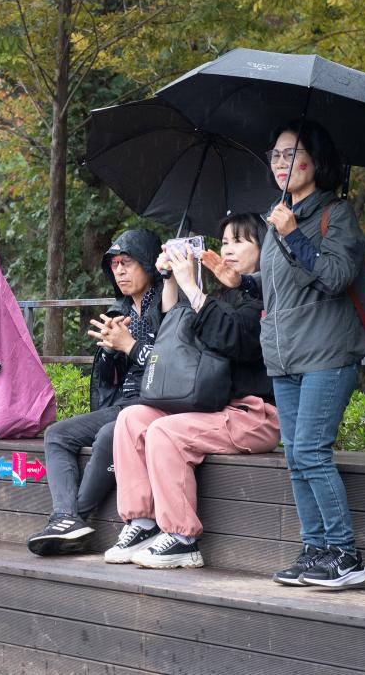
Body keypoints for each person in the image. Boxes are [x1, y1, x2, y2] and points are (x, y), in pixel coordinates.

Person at [108, 214, 279, 568]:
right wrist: (170, 276)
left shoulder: (268, 296)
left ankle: (182, 537)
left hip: (254, 414)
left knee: (164, 431)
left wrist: (193, 287)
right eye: (226, 241)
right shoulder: (220, 292)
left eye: (240, 241)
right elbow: (177, 324)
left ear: (265, 251)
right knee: (131, 418)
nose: (228, 249)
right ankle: (142, 521)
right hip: (211, 407)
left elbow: (235, 337)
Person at [251, 120, 365, 588]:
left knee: (313, 452)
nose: (281, 163)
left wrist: (295, 233)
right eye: (275, 155)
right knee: (295, 456)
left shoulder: (335, 215)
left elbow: (337, 276)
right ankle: (314, 549)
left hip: (327, 351)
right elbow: (278, 290)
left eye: (290, 154)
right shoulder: (275, 216)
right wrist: (236, 280)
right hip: (285, 356)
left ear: (315, 162)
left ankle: (345, 554)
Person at [27, 229, 163, 556]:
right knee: (57, 434)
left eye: (127, 263)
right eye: (114, 264)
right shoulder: (120, 311)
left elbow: (171, 364)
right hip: (124, 404)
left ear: (148, 263)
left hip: (160, 405)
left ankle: (74, 517)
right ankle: (65, 517)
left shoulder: (169, 305)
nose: (119, 271)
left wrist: (129, 347)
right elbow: (113, 378)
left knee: (107, 435)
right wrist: (111, 353)